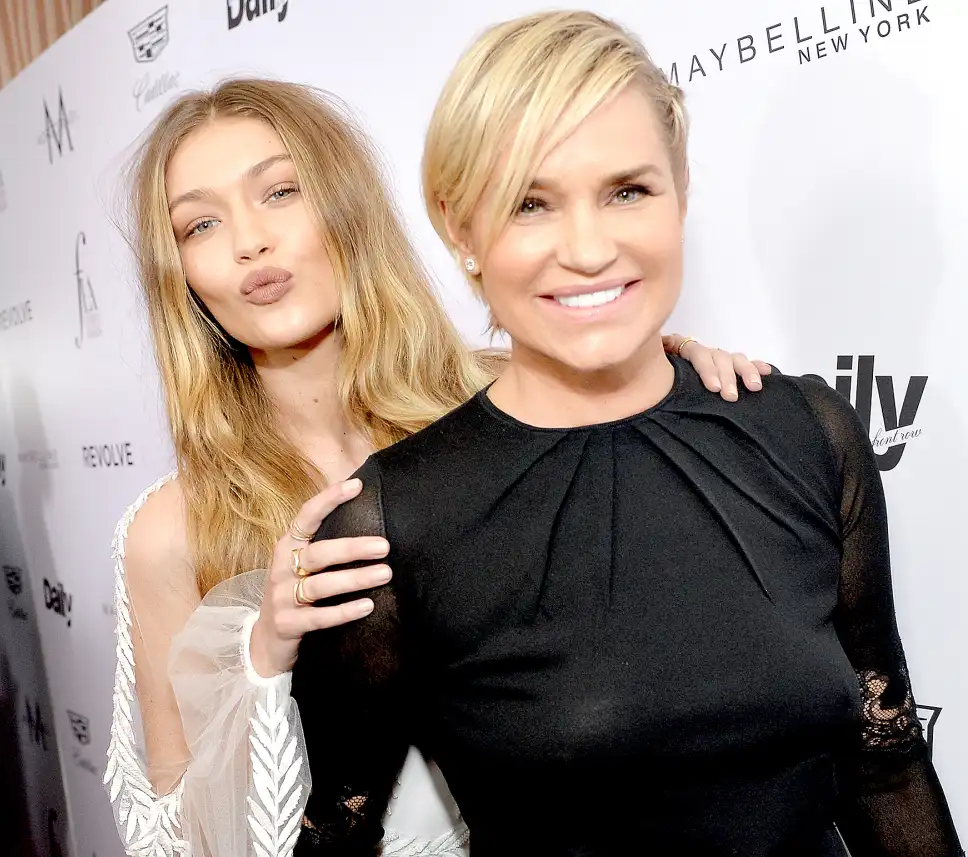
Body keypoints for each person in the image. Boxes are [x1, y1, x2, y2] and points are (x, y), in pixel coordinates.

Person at [273, 11, 964, 857]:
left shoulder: (806, 432)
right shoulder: (392, 520)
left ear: (680, 191)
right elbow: (339, 831)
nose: (589, 248)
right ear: (460, 228)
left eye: (627, 190)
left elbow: (885, 766)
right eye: (530, 203)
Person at [103, 77, 769, 856]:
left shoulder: (507, 402)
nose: (249, 241)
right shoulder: (173, 529)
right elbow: (163, 837)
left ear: (346, 205)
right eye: (201, 224)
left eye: (280, 191)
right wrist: (263, 656)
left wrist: (674, 372)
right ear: (178, 272)